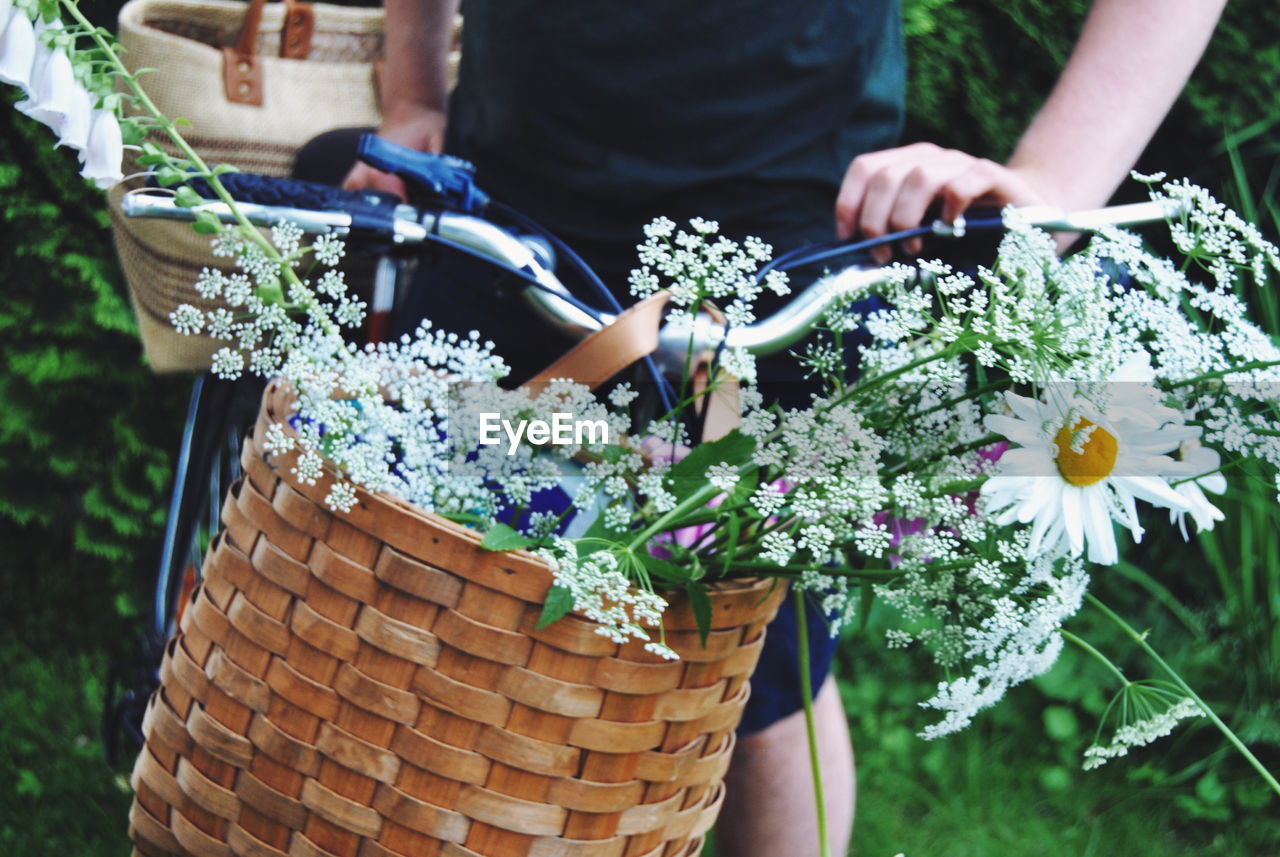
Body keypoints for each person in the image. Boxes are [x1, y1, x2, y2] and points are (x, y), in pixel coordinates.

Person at [342, 2, 1227, 854]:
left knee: (754, 672)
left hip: (777, 259)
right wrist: (416, 96)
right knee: (410, 598)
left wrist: (1051, 187)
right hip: (504, 219)